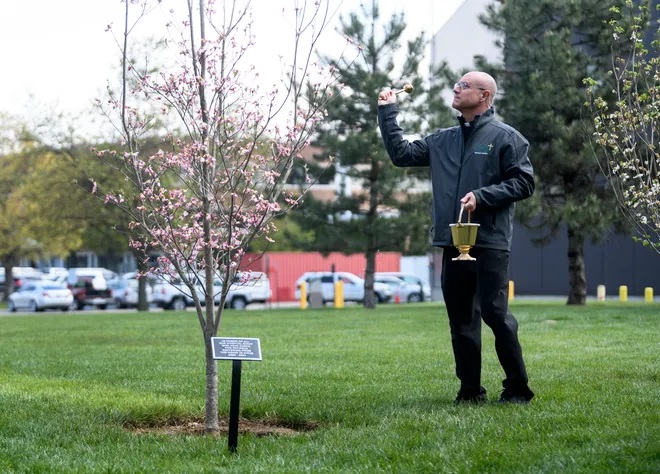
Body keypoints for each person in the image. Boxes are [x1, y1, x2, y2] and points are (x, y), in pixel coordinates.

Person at [377, 71, 535, 404]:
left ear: (485, 95)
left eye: (464, 86)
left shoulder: (507, 138)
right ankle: (470, 392)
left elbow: (524, 183)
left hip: (490, 241)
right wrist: (388, 113)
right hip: (452, 242)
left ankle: (518, 389)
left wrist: (483, 196)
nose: (456, 88)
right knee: (461, 319)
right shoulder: (442, 140)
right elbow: (401, 155)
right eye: (457, 84)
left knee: (495, 314)